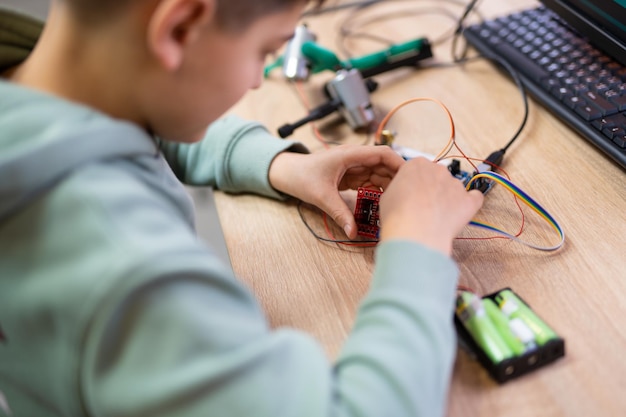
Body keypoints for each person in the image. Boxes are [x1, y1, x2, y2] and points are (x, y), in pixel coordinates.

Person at [0, 0, 484, 416]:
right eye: (265, 52)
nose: (257, 81)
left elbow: (142, 117)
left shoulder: (34, 71)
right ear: (180, 26)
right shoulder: (120, 263)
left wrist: (278, 165)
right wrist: (416, 247)